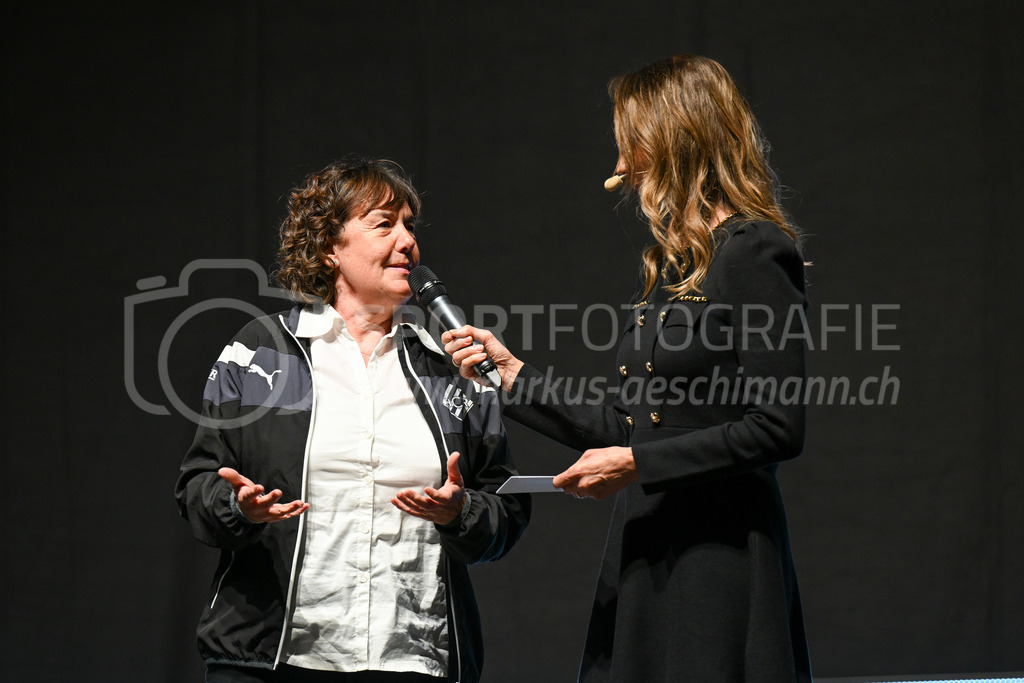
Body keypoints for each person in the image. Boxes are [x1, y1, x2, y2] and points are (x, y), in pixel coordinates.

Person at [444, 55, 812, 681]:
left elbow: (778, 427)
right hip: (647, 546)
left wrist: (641, 465)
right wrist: (513, 376)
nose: (619, 169)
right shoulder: (673, 268)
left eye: (630, 147)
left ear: (677, 139)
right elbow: (630, 425)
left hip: (716, 557)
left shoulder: (755, 253)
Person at [175, 158, 531, 683]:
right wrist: (238, 507)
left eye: (410, 225)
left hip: (410, 658)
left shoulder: (451, 367)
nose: (407, 241)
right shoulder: (261, 352)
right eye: (385, 224)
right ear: (329, 247)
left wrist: (462, 513)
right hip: (274, 659)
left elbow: (507, 507)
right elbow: (197, 488)